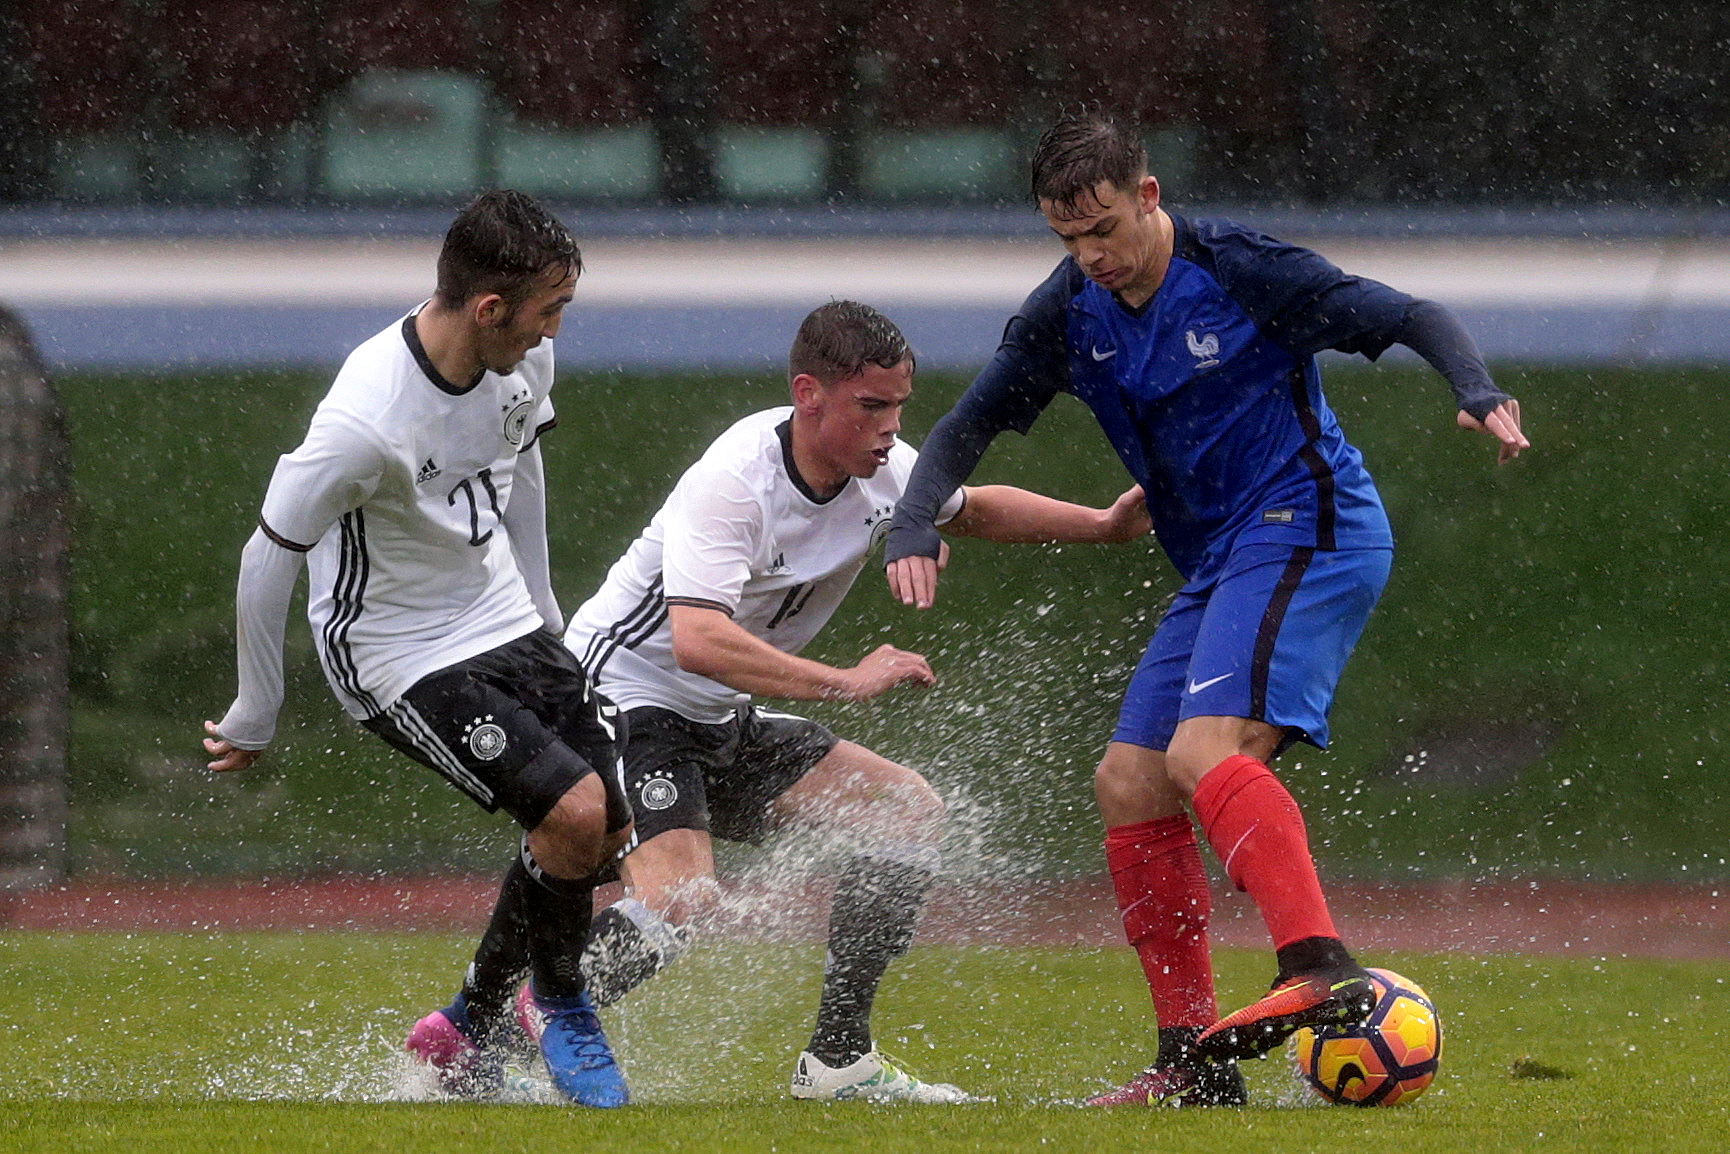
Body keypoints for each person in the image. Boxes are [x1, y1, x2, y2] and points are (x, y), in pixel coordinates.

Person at [884, 111, 1529, 1107]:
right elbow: (966, 424)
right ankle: (1191, 1064)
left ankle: (1318, 962)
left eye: (1103, 228)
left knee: (1202, 751)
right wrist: (912, 521)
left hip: (1310, 522)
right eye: (1067, 237)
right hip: (1219, 562)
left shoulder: (1240, 268)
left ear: (1148, 196)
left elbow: (1409, 312)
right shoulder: (1067, 310)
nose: (1089, 255)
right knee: (1129, 781)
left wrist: (1474, 387)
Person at [413, 299, 1153, 1103]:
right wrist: (846, 680)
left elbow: (970, 507)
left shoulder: (882, 468)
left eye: (899, 406)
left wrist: (1104, 525)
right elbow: (697, 640)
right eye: (871, 406)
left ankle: (838, 1062)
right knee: (681, 902)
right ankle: (533, 1016)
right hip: (621, 697)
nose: (890, 427)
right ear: (809, 395)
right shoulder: (736, 481)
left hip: (718, 713)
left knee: (906, 812)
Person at [200, 190, 635, 1108]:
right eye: (549, 309)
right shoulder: (366, 422)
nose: (556, 329)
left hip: (501, 616)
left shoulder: (524, 359)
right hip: (395, 654)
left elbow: (520, 462)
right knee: (570, 814)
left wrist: (545, 613)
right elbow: (266, 552)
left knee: (608, 826)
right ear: (490, 309)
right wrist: (255, 707)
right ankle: (559, 1003)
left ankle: (466, 1027)